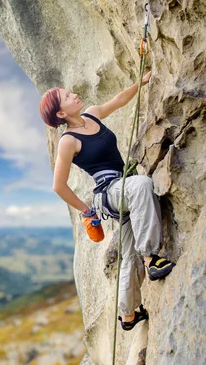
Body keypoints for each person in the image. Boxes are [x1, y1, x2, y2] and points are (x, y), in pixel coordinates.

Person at [39, 71, 175, 331]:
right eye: (67, 96)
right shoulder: (68, 141)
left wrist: (142, 82)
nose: (73, 94)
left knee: (128, 252)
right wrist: (86, 210)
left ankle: (128, 314)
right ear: (60, 114)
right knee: (142, 184)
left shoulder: (91, 114)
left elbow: (119, 100)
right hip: (110, 192)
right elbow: (59, 185)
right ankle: (152, 259)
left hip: (123, 190)